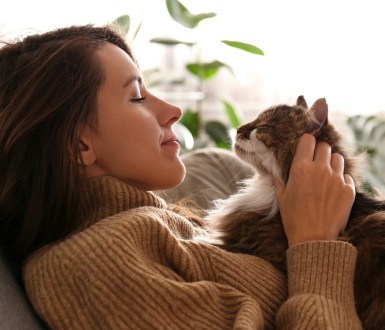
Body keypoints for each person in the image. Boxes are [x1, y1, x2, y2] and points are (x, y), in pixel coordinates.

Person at [0, 24, 361, 329]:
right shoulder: (95, 263)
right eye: (138, 96)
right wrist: (316, 247)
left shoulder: (157, 225)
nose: (174, 111)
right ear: (79, 145)